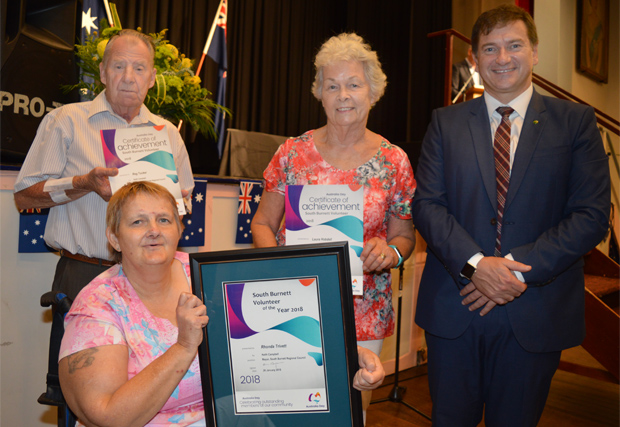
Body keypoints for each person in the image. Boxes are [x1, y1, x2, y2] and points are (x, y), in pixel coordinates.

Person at [412, 5, 610, 427]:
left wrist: (511, 271)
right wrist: (476, 266)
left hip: (535, 311)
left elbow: (591, 215)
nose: (502, 58)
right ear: (474, 58)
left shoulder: (575, 123)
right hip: (455, 307)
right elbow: (427, 205)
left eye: (514, 45)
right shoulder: (445, 123)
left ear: (534, 52)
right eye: (490, 48)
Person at [58, 181, 386, 426]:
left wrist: (349, 354)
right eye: (137, 222)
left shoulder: (208, 274)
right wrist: (184, 347)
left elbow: (277, 328)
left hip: (226, 415)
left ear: (180, 229)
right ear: (114, 238)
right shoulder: (98, 306)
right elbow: (108, 417)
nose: (153, 231)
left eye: (164, 220)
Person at [251, 33, 416, 422]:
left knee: (350, 414)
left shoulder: (394, 161)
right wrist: (281, 265)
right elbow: (261, 224)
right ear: (319, 94)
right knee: (292, 411)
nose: (343, 95)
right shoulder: (292, 153)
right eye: (332, 85)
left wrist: (390, 253)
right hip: (294, 306)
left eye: (353, 85)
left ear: (372, 92)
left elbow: (404, 237)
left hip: (365, 311)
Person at [13, 29, 194, 301]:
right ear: (102, 72)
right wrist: (83, 184)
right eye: (119, 66)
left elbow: (182, 210)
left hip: (151, 277)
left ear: (152, 78)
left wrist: (175, 204)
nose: (129, 77)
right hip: (84, 273)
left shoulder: (168, 133)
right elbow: (24, 197)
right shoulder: (66, 121)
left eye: (139, 68)